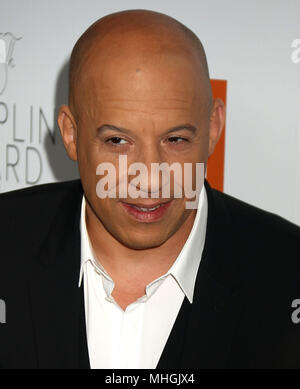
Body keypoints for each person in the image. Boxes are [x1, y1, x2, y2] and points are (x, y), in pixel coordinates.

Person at [1, 9, 300, 369]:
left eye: (175, 139)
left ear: (213, 127)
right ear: (71, 134)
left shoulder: (289, 273)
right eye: (117, 141)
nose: (150, 177)